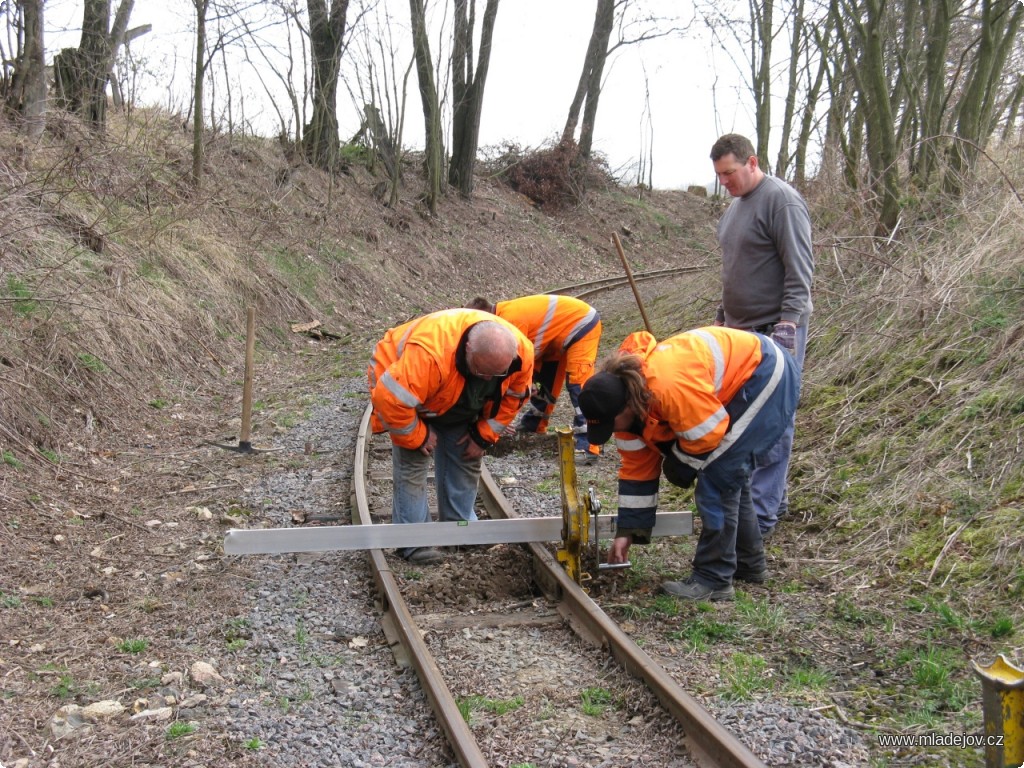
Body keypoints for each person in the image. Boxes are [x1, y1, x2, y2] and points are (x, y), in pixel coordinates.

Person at [578, 327, 800, 600]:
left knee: (718, 476)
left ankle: (714, 578)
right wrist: (628, 532)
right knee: (729, 477)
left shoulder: (667, 386)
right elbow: (637, 473)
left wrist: (679, 465)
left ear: (626, 408)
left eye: (612, 425)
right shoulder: (626, 407)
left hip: (765, 374)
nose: (613, 433)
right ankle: (749, 563)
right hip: (743, 379)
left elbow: (707, 435)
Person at [368, 308, 534, 564]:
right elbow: (390, 399)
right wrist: (417, 435)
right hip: (409, 399)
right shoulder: (429, 355)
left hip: (457, 397)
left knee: (467, 457)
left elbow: (513, 398)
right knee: (414, 461)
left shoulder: (522, 354)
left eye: (496, 374)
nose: (490, 378)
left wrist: (483, 436)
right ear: (468, 349)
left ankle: (461, 530)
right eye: (483, 372)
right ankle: (413, 542)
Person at [710, 133, 814, 537]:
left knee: (773, 420)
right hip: (740, 330)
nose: (725, 182)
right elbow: (732, 270)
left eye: (730, 173)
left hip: (775, 328)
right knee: (744, 417)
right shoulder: (734, 209)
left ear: (752, 163)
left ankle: (763, 515)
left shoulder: (781, 201)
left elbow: (799, 268)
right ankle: (772, 499)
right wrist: (723, 316)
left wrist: (789, 324)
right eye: (719, 175)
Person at [467, 294, 603, 456]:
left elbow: (515, 369)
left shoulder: (509, 323)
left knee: (578, 383)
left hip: (581, 325)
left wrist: (495, 416)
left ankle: (590, 443)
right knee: (547, 381)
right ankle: (535, 423)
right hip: (556, 335)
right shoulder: (502, 318)